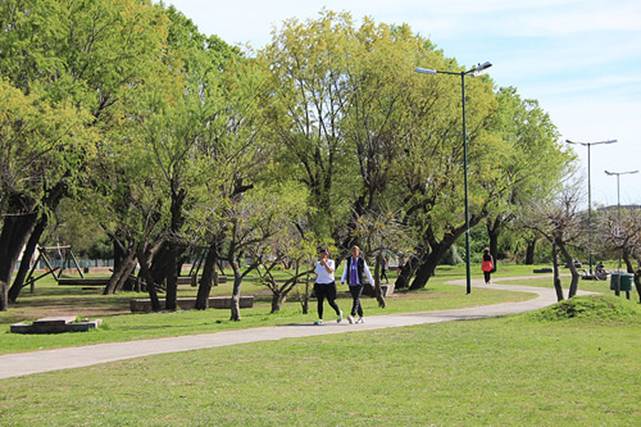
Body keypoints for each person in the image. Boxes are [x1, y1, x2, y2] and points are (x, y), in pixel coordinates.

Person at [341, 245, 375, 324]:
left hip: (359, 283)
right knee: (356, 299)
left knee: (356, 298)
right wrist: (343, 279)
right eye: (353, 251)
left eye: (356, 251)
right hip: (351, 283)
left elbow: (367, 272)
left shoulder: (361, 261)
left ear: (358, 252)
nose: (354, 253)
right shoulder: (348, 260)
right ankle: (361, 317)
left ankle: (352, 315)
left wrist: (372, 282)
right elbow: (346, 270)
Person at [313, 249, 343, 325]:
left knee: (331, 301)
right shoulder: (317, 263)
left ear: (327, 255)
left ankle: (339, 312)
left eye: (325, 254)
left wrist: (325, 264)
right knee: (320, 302)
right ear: (320, 255)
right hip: (319, 284)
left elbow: (330, 271)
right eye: (322, 254)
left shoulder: (331, 262)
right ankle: (320, 319)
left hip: (329, 284)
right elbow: (316, 273)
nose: (323, 256)